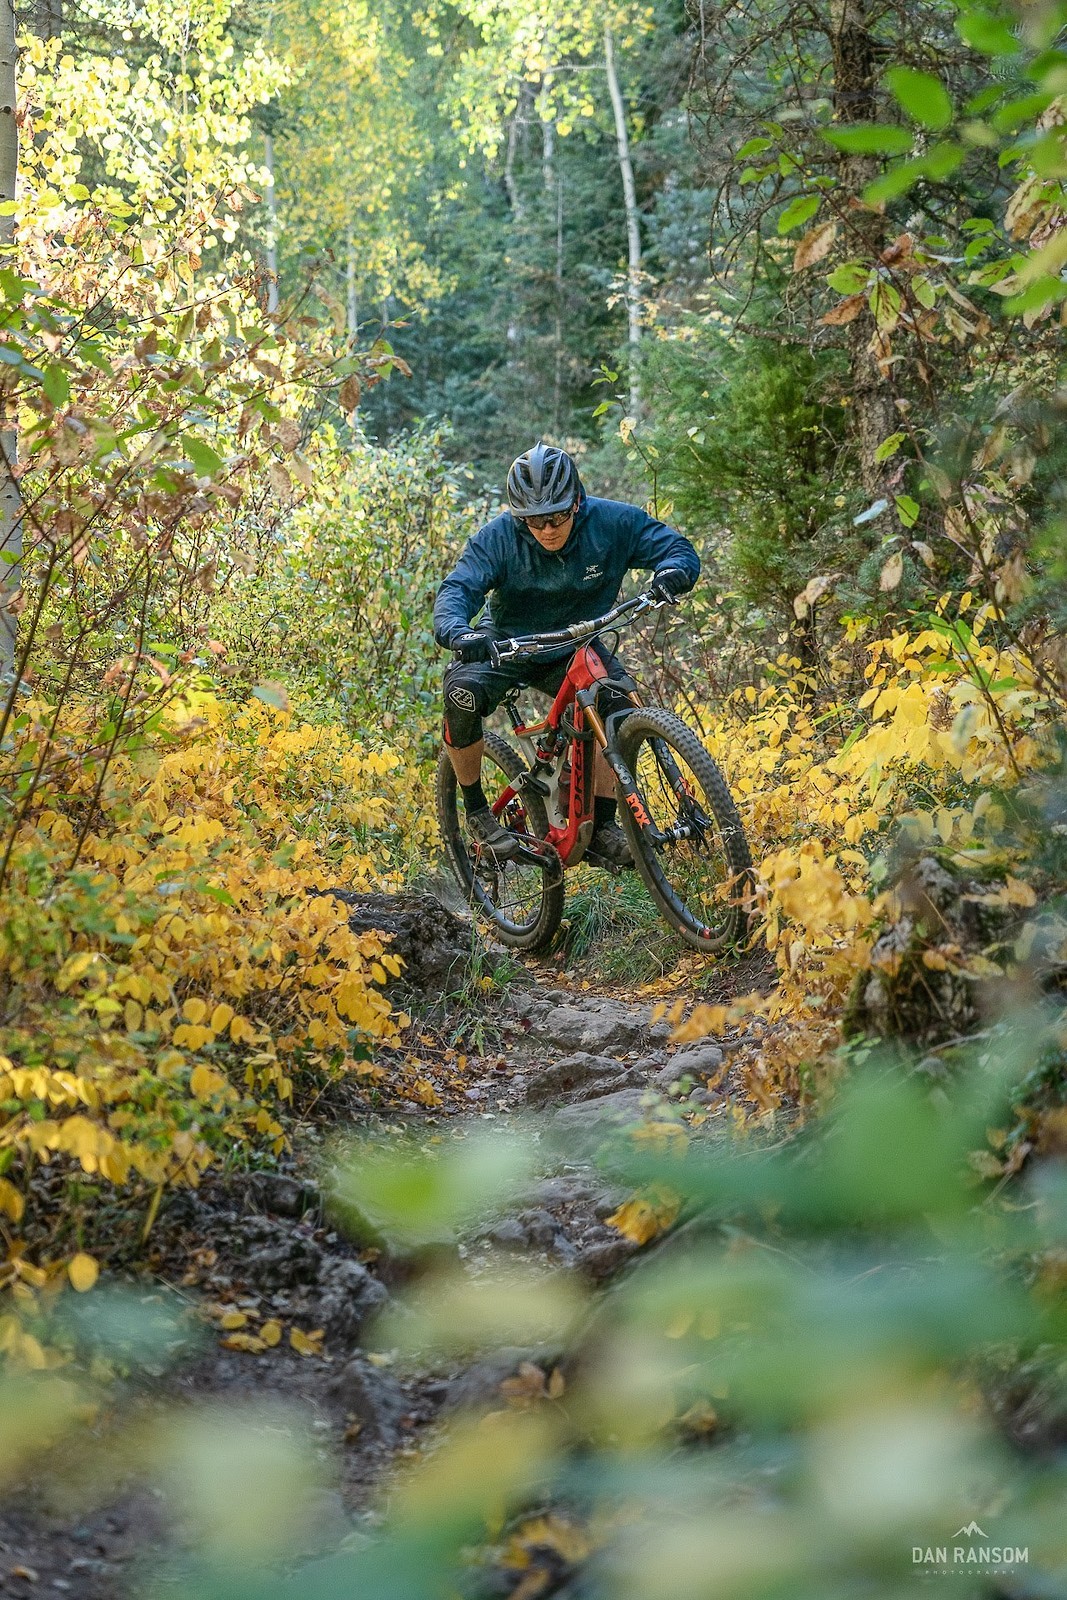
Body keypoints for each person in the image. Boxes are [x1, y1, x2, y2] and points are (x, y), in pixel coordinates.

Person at [434, 441, 699, 864]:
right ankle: (477, 810)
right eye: (533, 520)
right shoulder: (498, 538)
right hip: (508, 643)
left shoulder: (613, 522)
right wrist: (458, 631)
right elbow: (458, 588)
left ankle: (602, 826)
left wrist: (673, 572)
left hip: (577, 644)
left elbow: (676, 549)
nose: (547, 529)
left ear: (577, 501)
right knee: (461, 694)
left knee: (616, 707)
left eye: (557, 516)